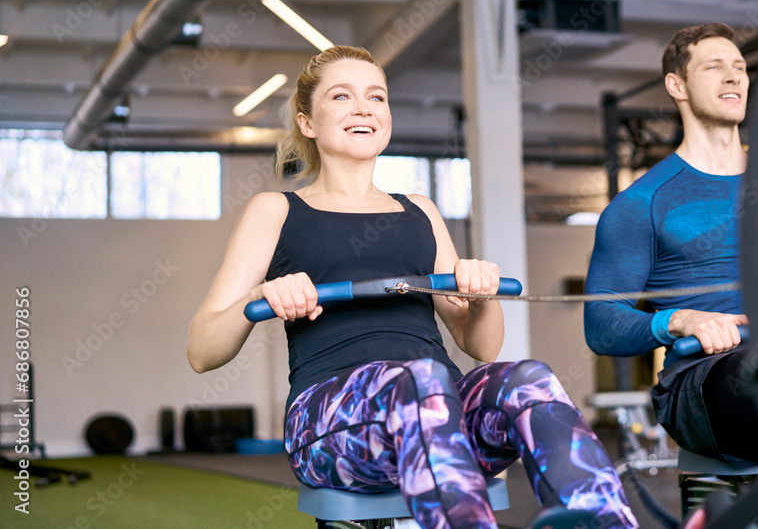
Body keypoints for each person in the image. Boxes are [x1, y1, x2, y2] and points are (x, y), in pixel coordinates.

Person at [187, 45, 639, 529]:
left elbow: (480, 346)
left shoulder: (420, 210)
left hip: (437, 413)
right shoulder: (276, 210)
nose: (364, 107)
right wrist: (261, 298)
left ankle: (604, 522)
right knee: (420, 381)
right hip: (329, 427)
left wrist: (480, 296)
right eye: (342, 96)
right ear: (307, 123)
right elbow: (202, 350)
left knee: (528, 378)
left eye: (376, 97)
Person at [584, 23, 758, 465]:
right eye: (714, 67)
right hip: (705, 380)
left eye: (740, 67)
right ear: (677, 84)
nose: (733, 77)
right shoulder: (641, 204)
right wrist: (680, 320)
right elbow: (600, 323)